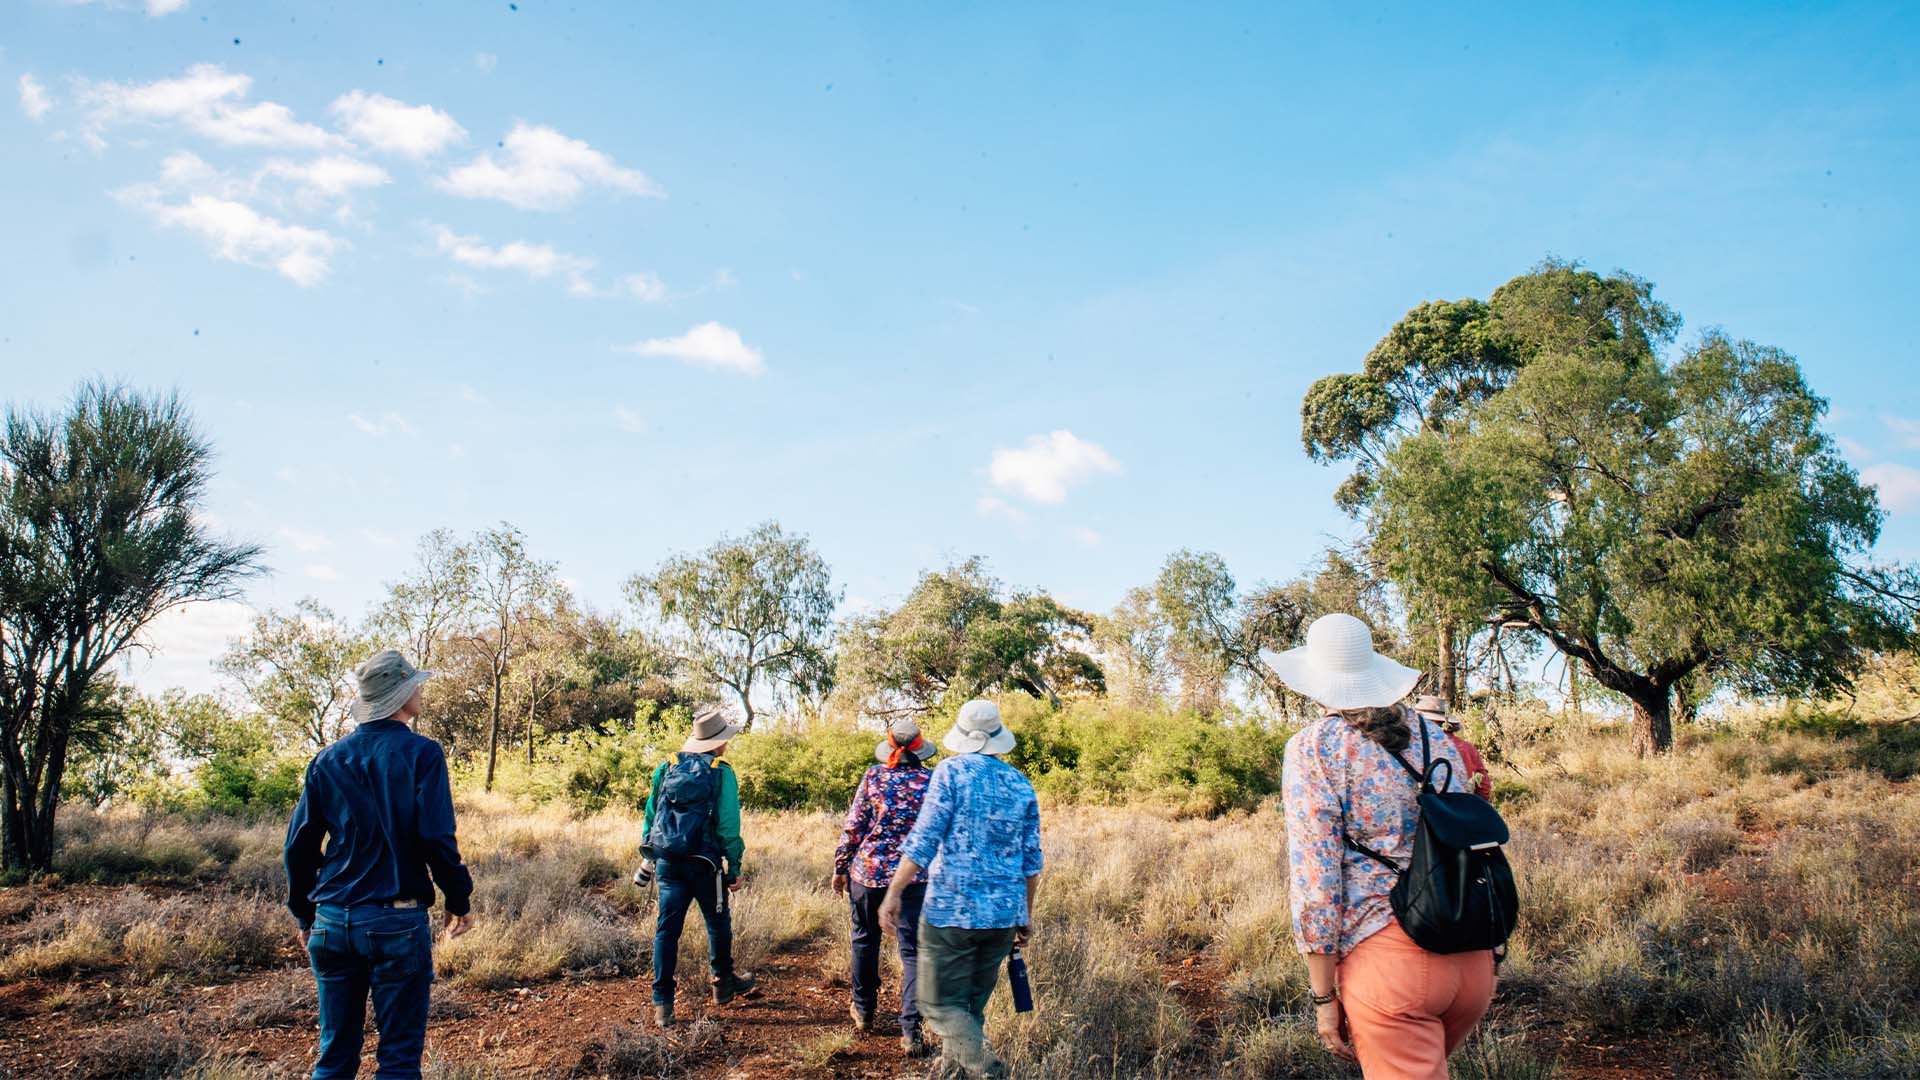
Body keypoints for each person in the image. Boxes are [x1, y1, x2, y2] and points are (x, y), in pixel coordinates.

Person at [1273, 614, 1495, 1080]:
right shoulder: (1439, 739)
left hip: (1392, 966)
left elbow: (1317, 882)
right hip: (1471, 956)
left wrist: (1322, 999)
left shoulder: (1315, 747)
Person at [284, 649, 476, 1080]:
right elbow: (436, 838)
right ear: (402, 695)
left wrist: (304, 913)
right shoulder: (423, 754)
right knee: (399, 1062)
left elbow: (298, 847)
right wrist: (458, 898)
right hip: (395, 921)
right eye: (415, 685)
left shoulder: (327, 760)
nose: (421, 690)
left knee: (333, 1060)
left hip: (331, 922)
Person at [878, 700, 1043, 1080]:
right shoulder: (1020, 784)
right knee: (969, 1009)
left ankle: (988, 1068)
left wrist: (894, 891)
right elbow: (1031, 862)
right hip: (1001, 918)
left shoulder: (950, 772)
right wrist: (1024, 915)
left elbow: (923, 839)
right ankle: (956, 1074)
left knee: (937, 1005)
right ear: (997, 738)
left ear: (962, 737)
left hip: (950, 914)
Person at [640, 706, 757, 1027]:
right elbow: (729, 828)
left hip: (669, 863)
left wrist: (650, 856)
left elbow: (652, 817)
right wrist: (734, 867)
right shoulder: (722, 771)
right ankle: (722, 983)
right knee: (718, 923)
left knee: (667, 930)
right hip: (705, 864)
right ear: (718, 742)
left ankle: (663, 1004)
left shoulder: (667, 766)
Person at [833, 718, 939, 1056]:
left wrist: (840, 866)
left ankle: (863, 1011)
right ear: (920, 748)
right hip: (914, 877)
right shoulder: (931, 779)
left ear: (890, 748)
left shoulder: (874, 776)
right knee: (914, 952)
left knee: (864, 939)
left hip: (869, 873)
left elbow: (854, 825)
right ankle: (911, 1031)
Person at [1411, 695, 1492, 801]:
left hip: (1430, 811)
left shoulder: (1416, 748)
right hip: (1462, 809)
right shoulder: (1467, 748)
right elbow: (1484, 788)